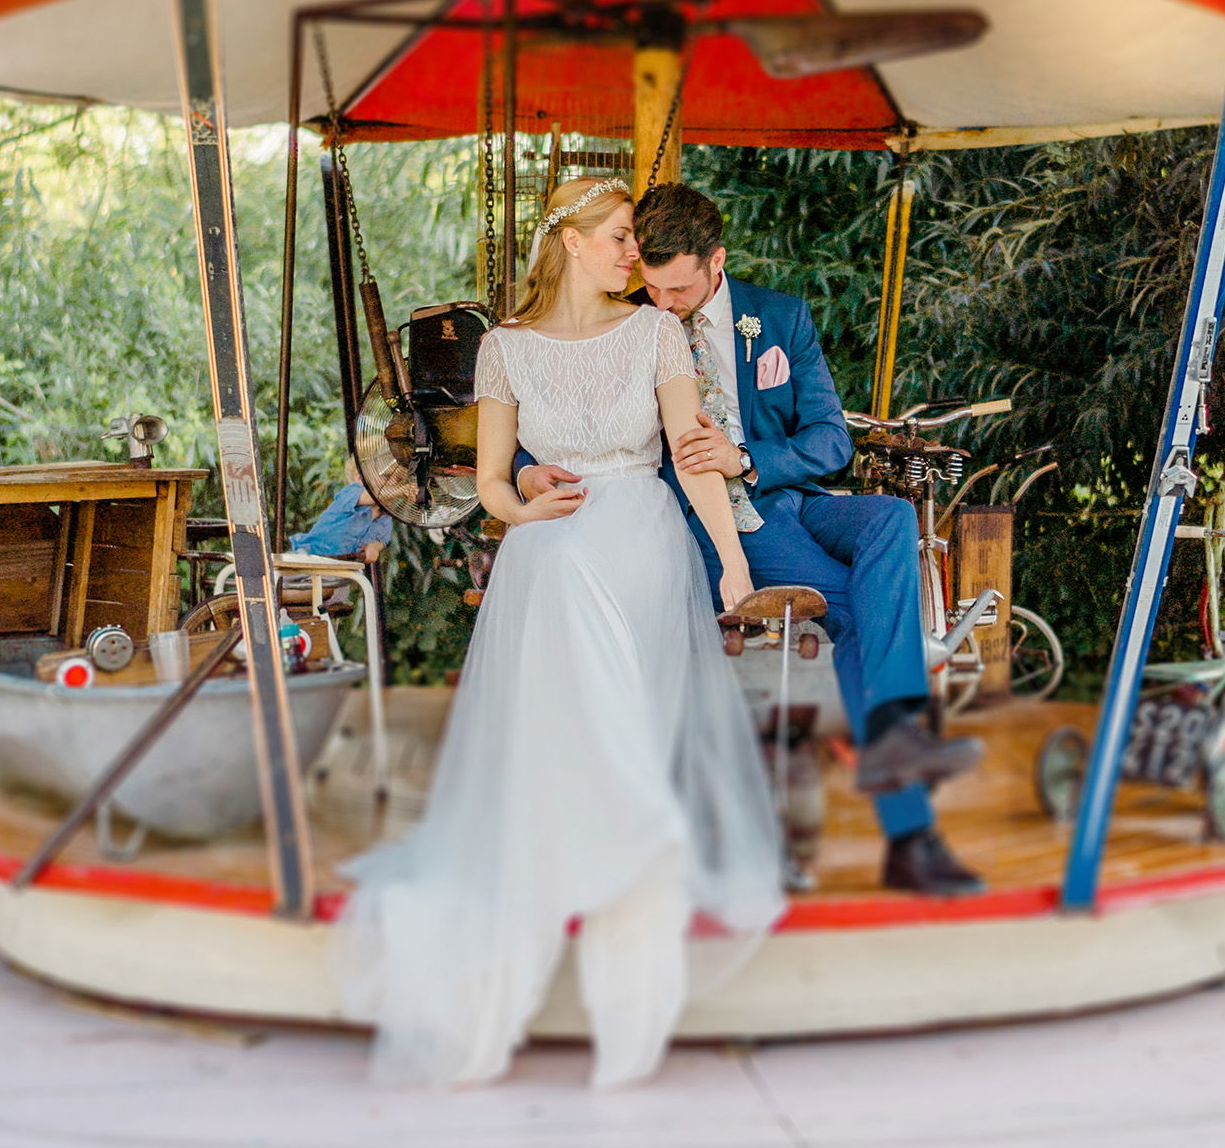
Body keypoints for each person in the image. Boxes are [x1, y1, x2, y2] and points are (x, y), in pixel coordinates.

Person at [336, 177, 783, 1089]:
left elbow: (692, 453)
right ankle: (549, 944)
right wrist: (523, 503)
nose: (635, 252)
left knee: (634, 745)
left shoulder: (658, 333)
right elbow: (494, 483)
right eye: (620, 236)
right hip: (550, 558)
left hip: (645, 550)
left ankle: (630, 997)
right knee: (559, 755)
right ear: (572, 243)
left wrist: (734, 568)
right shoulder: (503, 350)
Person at [520, 182, 984, 897]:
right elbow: (560, 412)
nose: (665, 303)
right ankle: (908, 818)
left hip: (789, 495)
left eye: (679, 288)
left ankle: (893, 743)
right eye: (652, 285)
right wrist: (525, 471)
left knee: (890, 520)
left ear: (717, 262)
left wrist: (752, 461)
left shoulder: (780, 318)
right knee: (863, 614)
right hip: (717, 524)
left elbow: (830, 440)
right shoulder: (631, 326)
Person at [290, 456, 393, 564]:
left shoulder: (385, 515)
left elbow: (383, 538)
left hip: (343, 563)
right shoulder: (352, 493)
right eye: (386, 477)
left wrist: (374, 546)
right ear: (360, 479)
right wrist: (402, 490)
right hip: (311, 555)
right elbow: (374, 497)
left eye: (400, 479)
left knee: (356, 579)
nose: (393, 483)